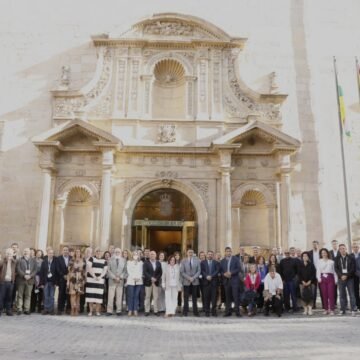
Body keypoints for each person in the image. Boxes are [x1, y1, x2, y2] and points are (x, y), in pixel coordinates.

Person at [334, 244, 357, 316]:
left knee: (351, 294)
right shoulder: (337, 258)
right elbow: (336, 268)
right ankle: (342, 309)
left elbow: (353, 268)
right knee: (342, 294)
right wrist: (341, 276)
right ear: (339, 250)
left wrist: (346, 275)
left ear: (346, 249)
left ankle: (353, 309)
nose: (342, 250)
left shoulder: (351, 257)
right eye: (341, 249)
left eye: (344, 248)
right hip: (341, 279)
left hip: (349, 278)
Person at [220, 247, 242, 317]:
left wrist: (231, 273)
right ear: (225, 252)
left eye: (229, 251)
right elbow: (220, 270)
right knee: (227, 297)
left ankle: (237, 312)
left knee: (236, 297)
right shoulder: (222, 261)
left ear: (231, 252)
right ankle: (227, 312)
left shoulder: (236, 259)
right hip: (226, 281)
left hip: (234, 280)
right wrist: (224, 274)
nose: (228, 252)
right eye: (227, 251)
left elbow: (238, 268)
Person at [85, 248, 108, 316]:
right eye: (97, 251)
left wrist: (100, 277)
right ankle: (91, 311)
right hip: (91, 280)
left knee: (98, 296)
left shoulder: (104, 261)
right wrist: (94, 276)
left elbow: (105, 270)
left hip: (100, 280)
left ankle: (97, 311)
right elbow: (89, 268)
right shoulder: (91, 259)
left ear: (101, 253)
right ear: (95, 253)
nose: (98, 252)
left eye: (100, 251)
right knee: (90, 296)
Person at [106, 248, 127, 316]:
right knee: (111, 296)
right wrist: (114, 277)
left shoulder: (124, 260)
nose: (117, 253)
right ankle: (109, 311)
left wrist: (120, 277)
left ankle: (119, 310)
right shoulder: (110, 260)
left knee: (119, 296)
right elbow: (108, 270)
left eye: (119, 252)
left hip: (120, 281)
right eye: (116, 252)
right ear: (114, 252)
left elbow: (125, 271)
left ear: (121, 253)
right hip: (112, 280)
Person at [180, 249, 201, 317]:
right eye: (189, 252)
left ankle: (195, 312)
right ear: (187, 253)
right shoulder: (183, 261)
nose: (190, 253)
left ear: (193, 253)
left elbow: (199, 271)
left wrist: (193, 278)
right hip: (186, 281)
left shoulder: (197, 260)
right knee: (185, 297)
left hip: (195, 282)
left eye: (192, 252)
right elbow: (182, 272)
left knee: (194, 298)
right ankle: (185, 311)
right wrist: (189, 278)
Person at [16, 248, 37, 315]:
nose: (26, 252)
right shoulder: (19, 260)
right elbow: (18, 269)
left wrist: (30, 276)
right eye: (24, 251)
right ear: (23, 252)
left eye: (27, 251)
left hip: (30, 280)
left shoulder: (33, 260)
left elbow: (35, 270)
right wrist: (24, 275)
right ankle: (19, 309)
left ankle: (26, 309)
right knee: (20, 295)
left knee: (28, 295)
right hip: (21, 280)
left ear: (29, 252)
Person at [317, 248, 337, 315]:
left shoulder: (331, 262)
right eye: (322, 253)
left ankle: (332, 309)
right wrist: (319, 278)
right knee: (324, 294)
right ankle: (326, 309)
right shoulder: (319, 261)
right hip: (322, 278)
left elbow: (334, 271)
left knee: (331, 294)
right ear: (321, 254)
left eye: (325, 252)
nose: (324, 254)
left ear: (327, 253)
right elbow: (318, 271)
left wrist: (336, 280)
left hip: (330, 278)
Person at [200, 250, 220, 317]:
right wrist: (206, 276)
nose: (210, 255)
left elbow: (217, 271)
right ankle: (207, 311)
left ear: (213, 255)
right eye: (209, 254)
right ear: (207, 255)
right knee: (206, 298)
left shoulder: (216, 262)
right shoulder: (203, 262)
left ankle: (213, 311)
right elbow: (202, 271)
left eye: (211, 254)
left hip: (214, 283)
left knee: (214, 298)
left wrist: (211, 276)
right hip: (206, 283)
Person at [67, 249, 86, 316]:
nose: (78, 253)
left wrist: (84, 280)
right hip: (73, 279)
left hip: (80, 279)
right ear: (75, 253)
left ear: (81, 253)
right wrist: (68, 280)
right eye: (76, 252)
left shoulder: (83, 260)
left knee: (78, 295)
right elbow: (69, 270)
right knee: (73, 294)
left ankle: (77, 309)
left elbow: (84, 271)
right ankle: (72, 309)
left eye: (79, 252)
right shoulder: (71, 260)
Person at [39, 248, 57, 315]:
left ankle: (51, 309)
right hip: (45, 281)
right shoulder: (44, 262)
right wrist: (41, 283)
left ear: (53, 254)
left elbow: (56, 272)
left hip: (53, 282)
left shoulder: (55, 261)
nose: (51, 254)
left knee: (51, 296)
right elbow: (41, 273)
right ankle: (46, 309)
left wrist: (56, 282)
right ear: (47, 254)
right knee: (46, 296)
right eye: (49, 253)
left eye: (52, 253)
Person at [126, 250, 143, 316]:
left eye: (137, 254)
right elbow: (129, 271)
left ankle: (135, 309)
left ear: (138, 256)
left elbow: (141, 271)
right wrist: (134, 277)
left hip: (139, 281)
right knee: (131, 296)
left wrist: (138, 277)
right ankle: (130, 310)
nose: (135, 255)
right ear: (132, 255)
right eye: (134, 254)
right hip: (131, 280)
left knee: (136, 296)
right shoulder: (129, 262)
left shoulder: (141, 263)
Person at [0, 248, 16, 316]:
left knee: (9, 297)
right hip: (3, 282)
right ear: (6, 254)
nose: (9, 254)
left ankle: (8, 310)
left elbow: (17, 270)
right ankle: (0, 310)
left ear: (12, 254)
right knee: (1, 297)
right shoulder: (2, 261)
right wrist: (6, 260)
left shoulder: (14, 262)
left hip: (10, 282)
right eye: (8, 253)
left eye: (10, 253)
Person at [56, 246, 71, 315]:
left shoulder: (71, 258)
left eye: (67, 250)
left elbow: (73, 268)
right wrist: (63, 275)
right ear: (62, 251)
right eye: (64, 250)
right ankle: (60, 308)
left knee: (69, 294)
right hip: (61, 279)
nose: (65, 251)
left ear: (68, 251)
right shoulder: (58, 258)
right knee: (61, 294)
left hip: (70, 279)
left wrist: (68, 276)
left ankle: (68, 308)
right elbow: (57, 268)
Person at [308, 241, 321, 309]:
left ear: (318, 245)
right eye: (313, 245)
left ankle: (324, 304)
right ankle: (313, 304)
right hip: (313, 273)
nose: (314, 246)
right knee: (313, 290)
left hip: (321, 273)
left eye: (316, 245)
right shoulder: (309, 253)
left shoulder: (321, 252)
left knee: (322, 289)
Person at [80, 247, 93, 313]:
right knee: (82, 293)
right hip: (82, 278)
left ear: (91, 253)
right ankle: (81, 307)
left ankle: (89, 308)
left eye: (89, 252)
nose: (88, 253)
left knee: (89, 293)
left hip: (90, 278)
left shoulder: (93, 259)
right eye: (87, 251)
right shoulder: (82, 259)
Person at [350, 242, 360, 310]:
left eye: (357, 247)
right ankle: (357, 304)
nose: (355, 248)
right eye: (354, 247)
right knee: (356, 290)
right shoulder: (350, 256)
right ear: (352, 248)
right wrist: (355, 272)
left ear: (359, 248)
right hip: (354, 275)